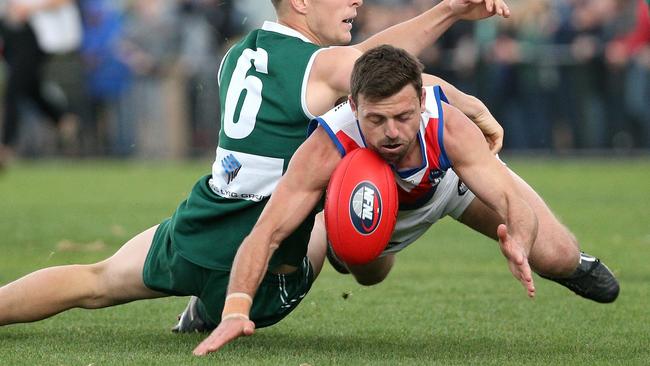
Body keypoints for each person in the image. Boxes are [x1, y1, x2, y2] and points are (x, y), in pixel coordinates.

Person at [0, 0, 512, 356]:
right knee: (339, 218)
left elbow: (360, 63)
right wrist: (470, 104)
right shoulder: (324, 65)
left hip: (206, 219)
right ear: (301, 5)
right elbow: (385, 74)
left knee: (94, 281)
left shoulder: (242, 51)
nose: (355, 4)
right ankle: (216, 306)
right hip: (267, 252)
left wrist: (447, 11)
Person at [191, 44, 619, 356]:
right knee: (366, 270)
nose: (392, 132)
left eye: (403, 116)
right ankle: (212, 302)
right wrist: (234, 309)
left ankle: (572, 264)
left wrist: (520, 240)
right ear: (353, 105)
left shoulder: (447, 123)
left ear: (420, 101)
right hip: (367, 204)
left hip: (450, 184)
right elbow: (265, 232)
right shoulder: (327, 144)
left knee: (555, 254)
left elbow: (510, 199)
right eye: (376, 119)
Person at [0, 0, 82, 167]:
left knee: (14, 89)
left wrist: (29, 8)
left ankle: (6, 146)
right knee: (29, 88)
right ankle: (62, 118)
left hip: (37, 36)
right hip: (14, 32)